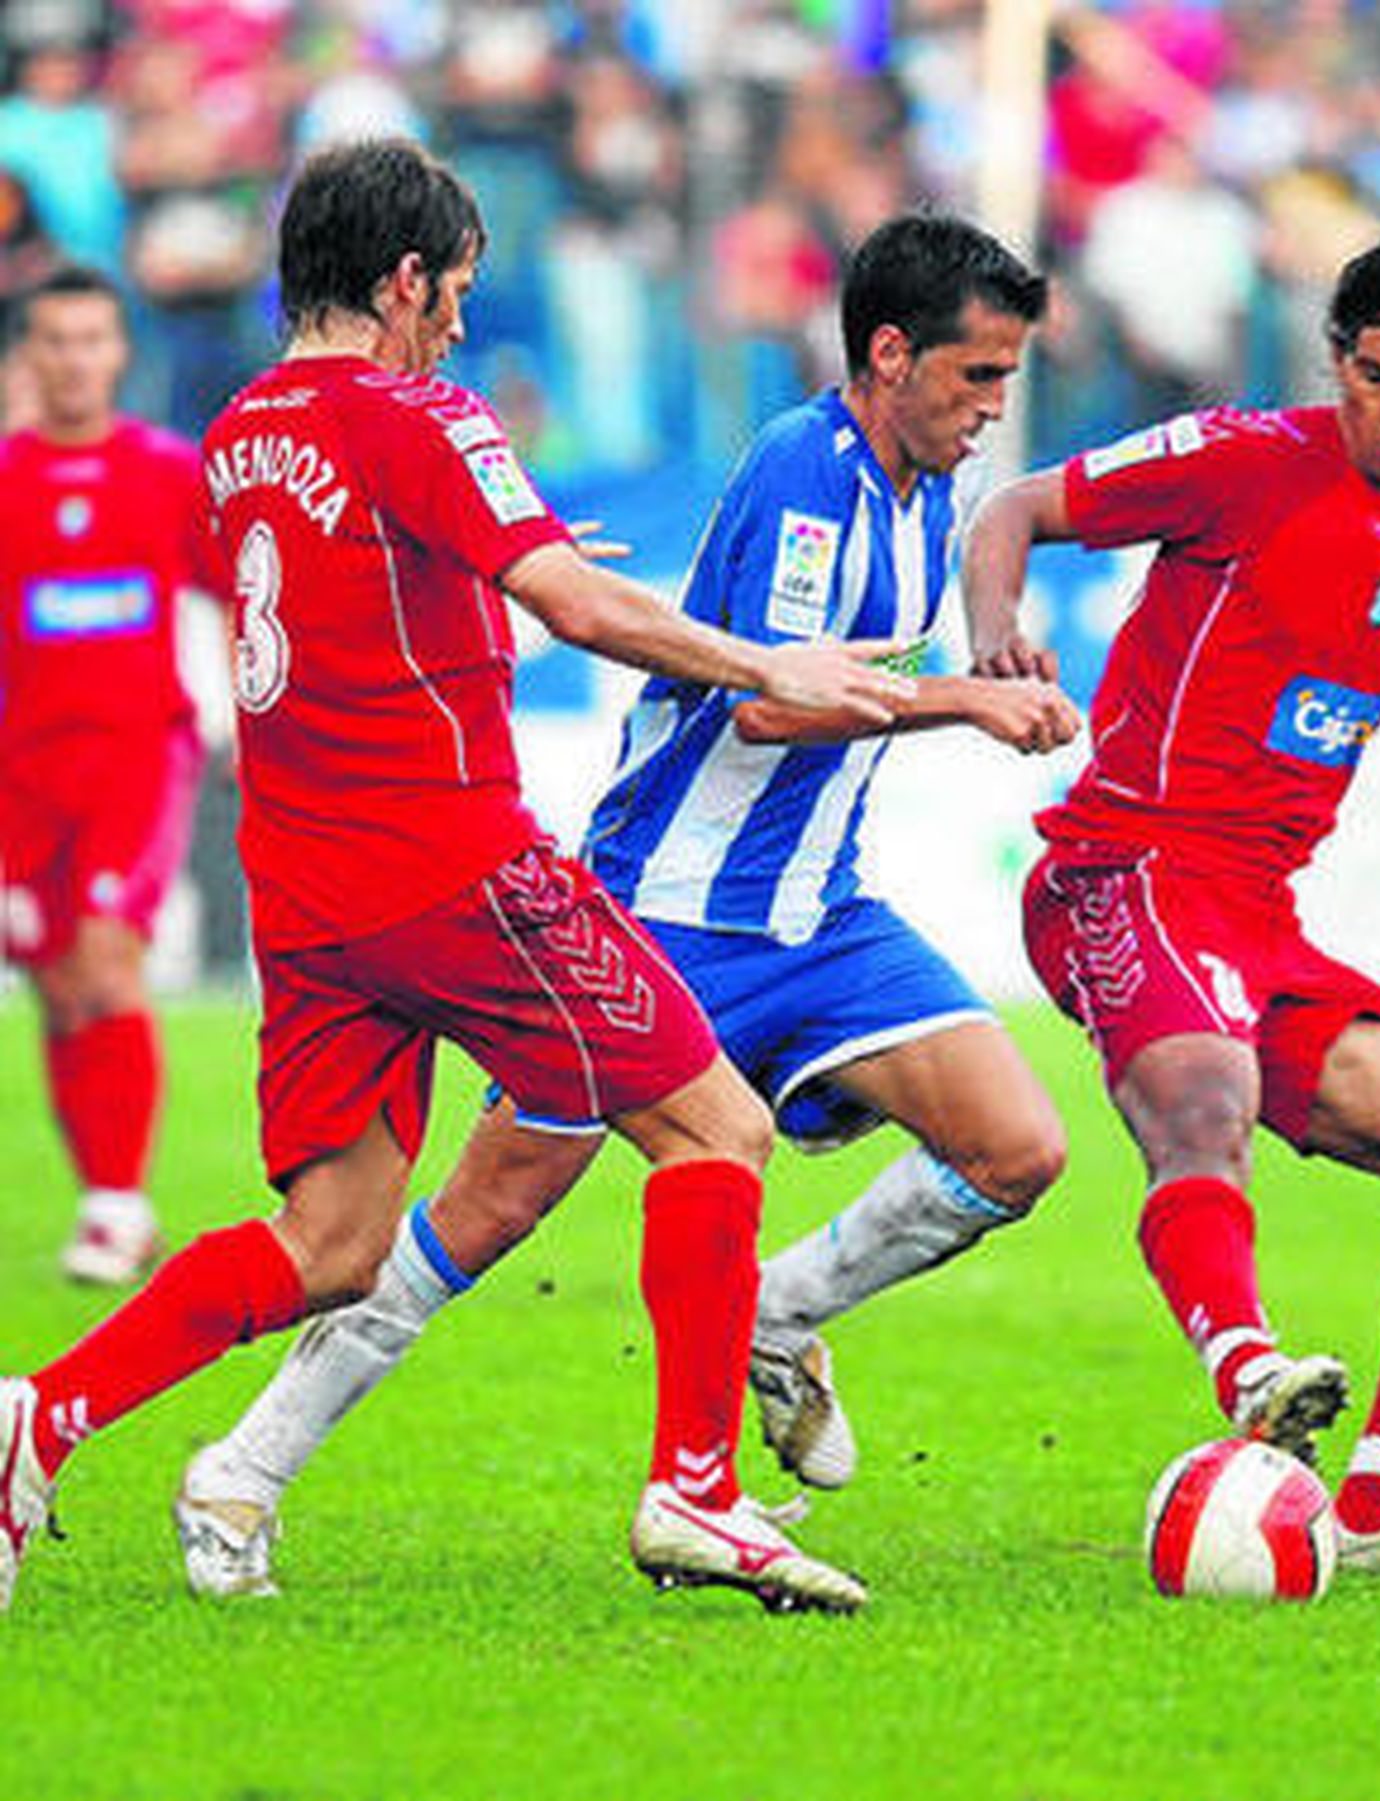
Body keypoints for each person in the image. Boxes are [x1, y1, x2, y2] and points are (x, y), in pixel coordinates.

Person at [0, 137, 913, 1617]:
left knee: (335, 1242)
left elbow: (381, 586)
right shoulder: (417, 407)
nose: (465, 326)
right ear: (404, 279)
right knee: (716, 1127)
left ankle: (39, 1418)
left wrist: (504, 566)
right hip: (448, 859)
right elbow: (568, 599)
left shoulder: (238, 431)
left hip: (303, 885)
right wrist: (762, 658)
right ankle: (698, 1487)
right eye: (458, 292)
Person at [166, 211, 1079, 1600]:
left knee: (1014, 1145)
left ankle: (771, 1309)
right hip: (666, 906)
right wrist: (967, 697)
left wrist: (990, 640)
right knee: (477, 1220)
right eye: (975, 379)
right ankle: (244, 1467)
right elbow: (775, 703)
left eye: (1007, 381)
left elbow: (906, 615)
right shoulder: (804, 475)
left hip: (817, 913)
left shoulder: (928, 486)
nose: (991, 409)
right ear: (890, 357)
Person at [963, 223, 1380, 1579]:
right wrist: (996, 639)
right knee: (1207, 1097)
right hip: (1122, 869)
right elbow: (1007, 508)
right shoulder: (1243, 459)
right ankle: (1248, 1367)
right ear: (1338, 359)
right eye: (1377, 376)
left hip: (1258, 920)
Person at [0, 265, 218, 1283]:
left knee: (103, 959)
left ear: (119, 353)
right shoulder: (6, 479)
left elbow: (242, 590)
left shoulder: (168, 472)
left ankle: (121, 1203)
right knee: (55, 986)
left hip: (137, 757)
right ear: (29, 356)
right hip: (23, 772)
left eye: (92, 339)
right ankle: (108, 1205)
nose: (75, 359)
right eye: (56, 341)